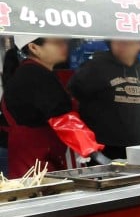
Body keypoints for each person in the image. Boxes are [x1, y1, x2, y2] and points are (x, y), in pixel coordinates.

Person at [1, 35, 106, 176]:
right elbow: (62, 118)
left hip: (36, 153)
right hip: (38, 156)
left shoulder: (33, 71)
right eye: (57, 42)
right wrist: (90, 149)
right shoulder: (34, 74)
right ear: (34, 48)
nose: (64, 46)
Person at [68, 39, 140, 159]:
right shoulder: (95, 66)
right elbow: (74, 91)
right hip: (106, 147)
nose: (122, 46)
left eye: (128, 42)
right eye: (117, 41)